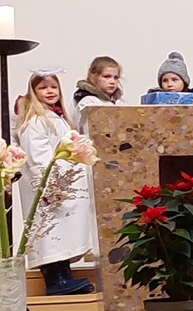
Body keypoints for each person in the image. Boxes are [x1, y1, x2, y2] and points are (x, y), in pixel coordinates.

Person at [15, 70, 97, 296]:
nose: (50, 91)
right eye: (43, 87)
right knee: (50, 233)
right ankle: (55, 279)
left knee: (64, 232)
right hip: (50, 186)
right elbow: (38, 157)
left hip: (65, 184)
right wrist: (50, 184)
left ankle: (64, 273)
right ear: (33, 92)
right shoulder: (36, 121)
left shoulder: (59, 118)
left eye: (53, 87)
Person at [73, 56, 123, 133]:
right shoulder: (87, 102)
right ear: (92, 77)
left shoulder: (120, 102)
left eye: (116, 78)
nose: (112, 82)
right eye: (106, 76)